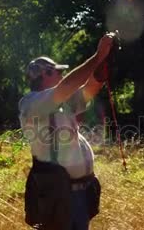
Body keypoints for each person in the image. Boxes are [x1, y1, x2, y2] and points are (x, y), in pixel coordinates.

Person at [20, 32, 115, 230]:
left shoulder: (62, 102)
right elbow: (68, 85)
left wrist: (100, 70)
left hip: (79, 194)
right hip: (59, 195)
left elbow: (88, 90)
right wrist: (97, 56)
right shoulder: (32, 103)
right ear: (44, 75)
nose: (61, 75)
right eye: (57, 71)